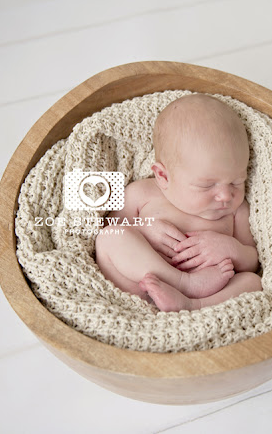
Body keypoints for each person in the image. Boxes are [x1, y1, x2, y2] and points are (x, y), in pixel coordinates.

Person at [95, 94, 262, 312]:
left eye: (236, 182)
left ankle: (193, 304)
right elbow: (109, 228)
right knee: (108, 240)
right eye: (207, 186)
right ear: (163, 176)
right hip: (139, 285)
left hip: (210, 289)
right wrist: (142, 228)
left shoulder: (236, 211)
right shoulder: (142, 193)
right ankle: (184, 283)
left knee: (252, 282)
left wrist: (232, 249)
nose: (225, 196)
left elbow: (251, 259)